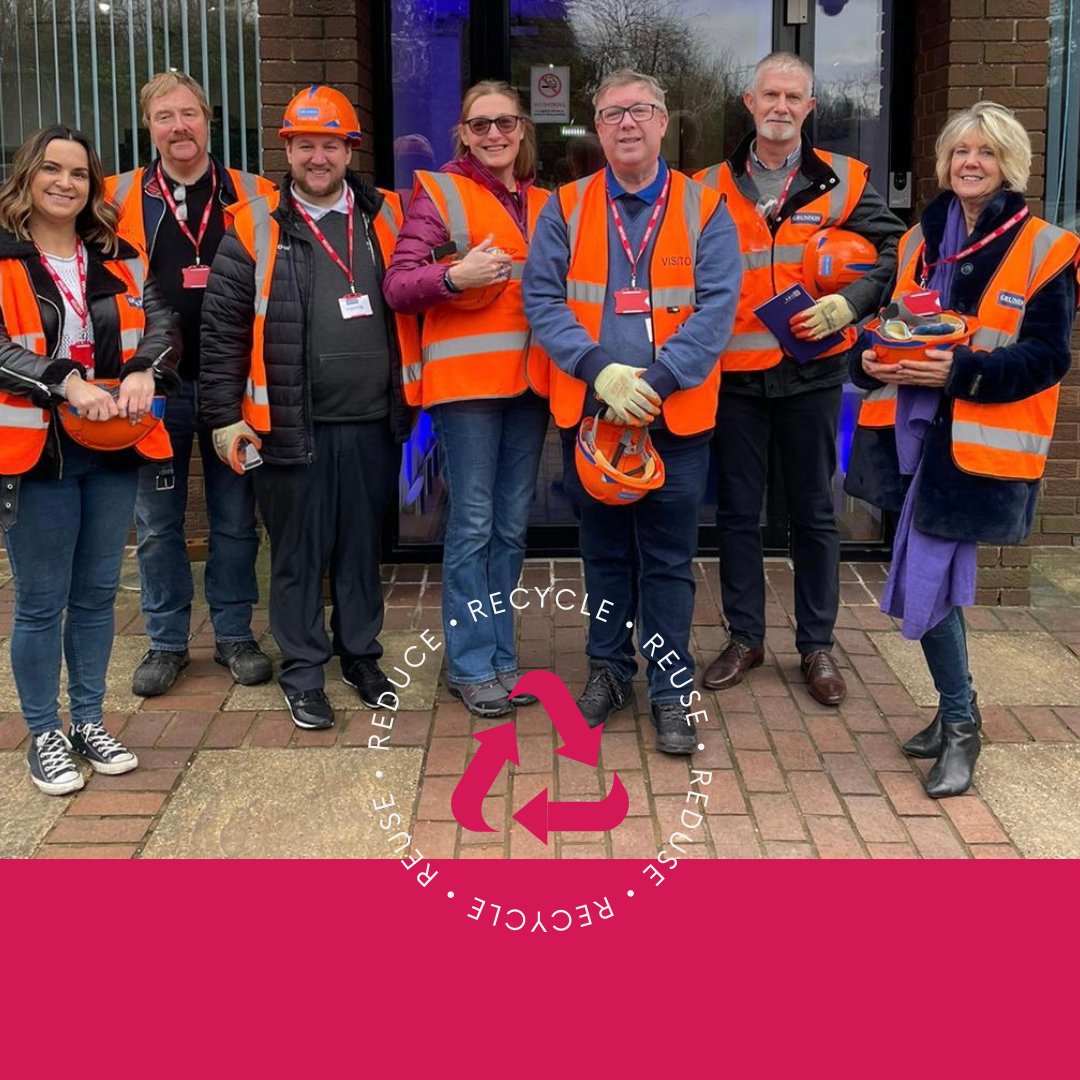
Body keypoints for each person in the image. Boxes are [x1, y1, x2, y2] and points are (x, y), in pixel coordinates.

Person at [846, 101, 1080, 797]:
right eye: (958, 152)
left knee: (931, 580)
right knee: (927, 575)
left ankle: (959, 725)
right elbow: (894, 321)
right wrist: (872, 359)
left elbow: (1046, 358)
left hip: (978, 443)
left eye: (984, 151)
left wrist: (959, 371)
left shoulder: (1047, 247)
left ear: (1011, 163)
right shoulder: (925, 238)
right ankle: (959, 712)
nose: (969, 163)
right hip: (914, 439)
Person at [523, 69, 741, 755]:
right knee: (605, 553)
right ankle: (609, 671)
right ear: (597, 124)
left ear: (664, 120)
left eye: (640, 111)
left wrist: (660, 379)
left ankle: (671, 688)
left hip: (674, 418)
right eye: (613, 112)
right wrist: (600, 370)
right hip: (592, 418)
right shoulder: (567, 205)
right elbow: (543, 300)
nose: (626, 124)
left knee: (671, 561)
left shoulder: (706, 208)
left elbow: (717, 308)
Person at [199, 86, 419, 731]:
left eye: (330, 144)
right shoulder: (252, 223)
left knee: (359, 550)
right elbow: (221, 332)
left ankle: (360, 656)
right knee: (297, 553)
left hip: (374, 421)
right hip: (289, 425)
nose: (317, 157)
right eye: (304, 144)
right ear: (287, 150)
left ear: (349, 150)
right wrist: (222, 416)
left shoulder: (388, 216)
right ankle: (302, 670)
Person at [695, 52, 905, 706]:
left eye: (795, 97)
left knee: (815, 515)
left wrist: (853, 302)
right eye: (771, 95)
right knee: (736, 515)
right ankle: (746, 638)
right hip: (732, 375)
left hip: (812, 373)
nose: (782, 106)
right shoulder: (704, 186)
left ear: (810, 108)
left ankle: (817, 646)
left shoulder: (845, 181)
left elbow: (899, 255)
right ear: (748, 102)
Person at [0, 125, 180, 794]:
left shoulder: (117, 255)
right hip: (36, 453)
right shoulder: (4, 257)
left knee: (98, 594)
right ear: (27, 175)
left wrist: (144, 371)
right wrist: (61, 378)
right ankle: (44, 733)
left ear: (93, 187)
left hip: (110, 445)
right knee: (43, 603)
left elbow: (163, 324)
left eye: (79, 173)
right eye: (51, 169)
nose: (65, 183)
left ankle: (87, 721)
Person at [383, 80, 550, 719]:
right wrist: (455, 276)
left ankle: (501, 659)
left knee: (509, 529)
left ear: (522, 129)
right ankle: (470, 664)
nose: (493, 135)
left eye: (504, 123)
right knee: (474, 526)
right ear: (463, 133)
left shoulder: (546, 201)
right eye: (479, 125)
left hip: (531, 386)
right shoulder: (439, 192)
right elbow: (399, 285)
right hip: (468, 392)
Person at [106, 72, 276, 698]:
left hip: (233, 385)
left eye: (189, 114)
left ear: (209, 120)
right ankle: (167, 642)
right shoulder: (114, 195)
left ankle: (234, 636)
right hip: (153, 388)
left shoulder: (255, 193)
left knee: (236, 519)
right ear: (148, 126)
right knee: (156, 522)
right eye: (164, 117)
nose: (179, 127)